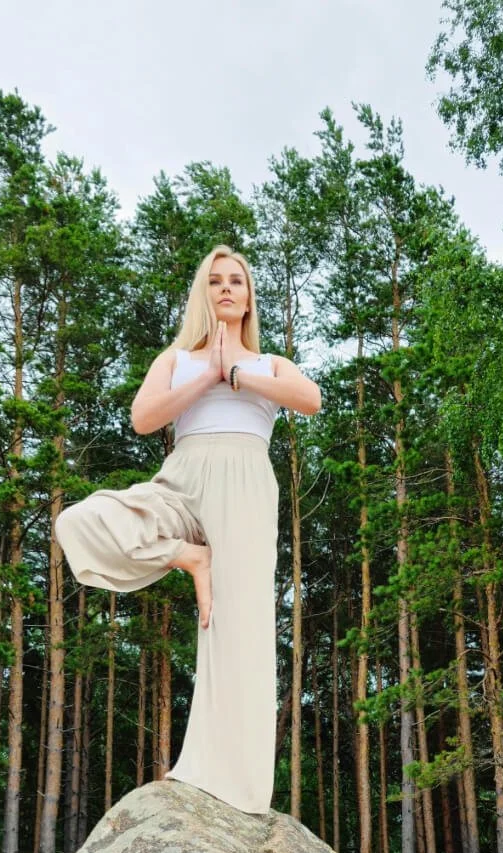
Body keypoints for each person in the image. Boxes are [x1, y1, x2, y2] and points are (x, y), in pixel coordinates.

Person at [55, 245, 321, 815]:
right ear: (204, 294)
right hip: (183, 478)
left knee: (240, 633)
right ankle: (187, 555)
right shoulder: (175, 359)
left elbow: (310, 401)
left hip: (246, 485)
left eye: (237, 281)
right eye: (216, 281)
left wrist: (236, 371)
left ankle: (234, 784)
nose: (227, 289)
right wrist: (206, 375)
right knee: (79, 520)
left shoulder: (270, 363)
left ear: (249, 297)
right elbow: (144, 418)